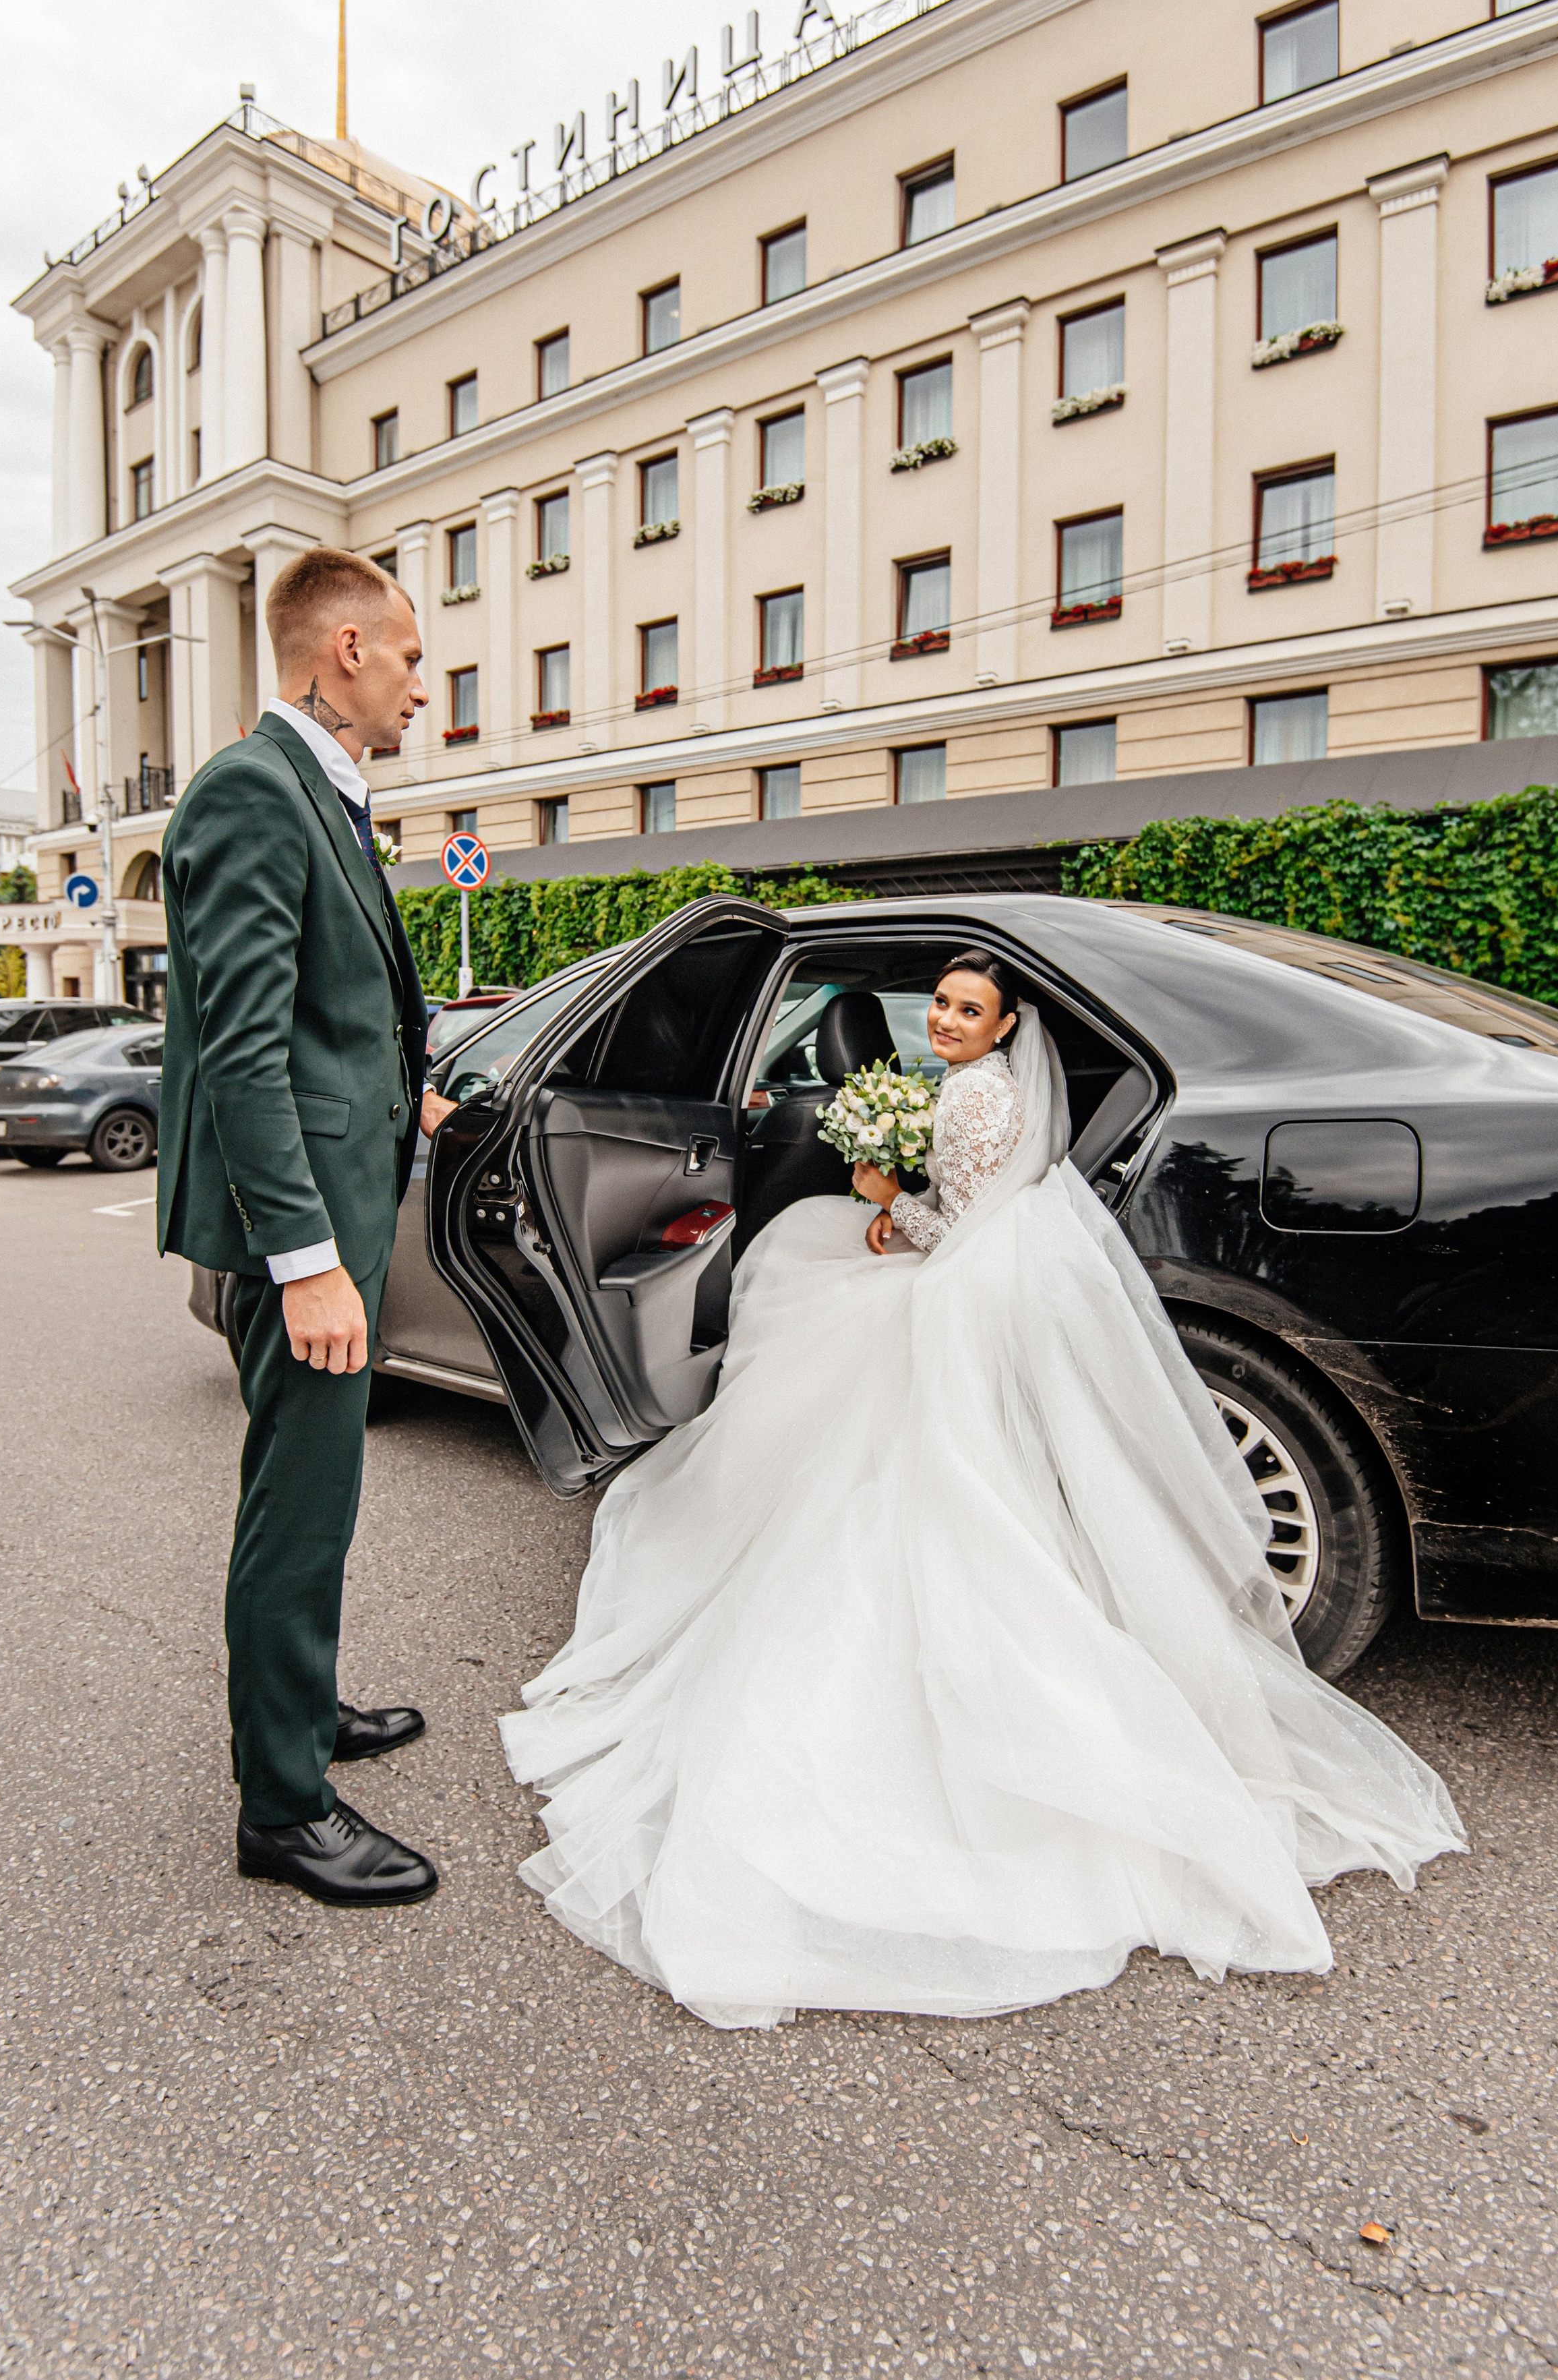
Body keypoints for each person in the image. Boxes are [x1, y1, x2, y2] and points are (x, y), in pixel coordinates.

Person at [500, 950, 1465, 2029]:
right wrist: (892, 1200)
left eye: (970, 1011)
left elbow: (950, 1223)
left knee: (794, 1274)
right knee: (824, 1287)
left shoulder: (967, 1099)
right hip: (990, 1277)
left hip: (957, 1279)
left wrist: (879, 1198)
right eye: (945, 1008)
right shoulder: (983, 1090)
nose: (950, 1022)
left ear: (1006, 1030)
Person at [158, 546, 452, 1907]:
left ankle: (307, 1705)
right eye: (406, 659)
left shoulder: (321, 794)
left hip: (336, 1202)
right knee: (298, 1500)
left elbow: (330, 1013)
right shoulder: (250, 789)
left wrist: (408, 1091)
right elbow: (241, 1046)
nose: (418, 689)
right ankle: (282, 1806)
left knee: (319, 1496)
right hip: (305, 1238)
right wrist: (308, 1261)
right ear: (342, 647)